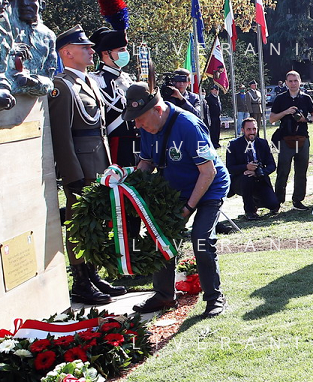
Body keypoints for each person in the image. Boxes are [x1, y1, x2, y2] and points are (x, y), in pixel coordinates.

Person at [125, 85, 231, 317]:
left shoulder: (188, 126)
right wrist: (126, 186)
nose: (137, 125)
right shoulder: (148, 127)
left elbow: (208, 172)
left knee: (201, 239)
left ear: (158, 110)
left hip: (208, 187)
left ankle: (214, 297)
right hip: (176, 189)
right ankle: (164, 295)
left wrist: (188, 208)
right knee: (161, 237)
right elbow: (146, 163)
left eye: (140, 118)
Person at [49, 25, 126, 305]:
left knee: (94, 222)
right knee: (78, 224)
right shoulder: (61, 86)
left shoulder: (88, 82)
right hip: (80, 168)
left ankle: (92, 274)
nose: (91, 51)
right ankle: (81, 280)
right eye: (84, 47)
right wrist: (73, 176)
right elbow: (62, 135)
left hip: (97, 164)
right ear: (66, 53)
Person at [89, 24, 140, 167]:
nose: (126, 53)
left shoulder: (127, 78)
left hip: (135, 140)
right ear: (106, 53)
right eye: (121, 50)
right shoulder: (95, 80)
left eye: (125, 49)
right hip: (115, 142)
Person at [267, 71, 313, 210]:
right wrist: (286, 112)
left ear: (300, 81)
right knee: (283, 171)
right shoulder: (280, 98)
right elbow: (271, 119)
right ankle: (277, 201)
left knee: (301, 171)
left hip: (302, 138)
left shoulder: (306, 98)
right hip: (285, 139)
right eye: (290, 81)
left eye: (295, 80)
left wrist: (305, 119)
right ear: (286, 83)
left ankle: (298, 200)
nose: (293, 83)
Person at [225, 118, 279, 219]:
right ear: (242, 130)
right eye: (248, 129)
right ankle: (249, 211)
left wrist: (259, 172)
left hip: (259, 178)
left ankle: (255, 201)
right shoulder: (233, 144)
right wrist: (246, 167)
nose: (252, 132)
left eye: (254, 129)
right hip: (241, 181)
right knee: (247, 177)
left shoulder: (263, 143)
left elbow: (272, 165)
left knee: (273, 204)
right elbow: (230, 168)